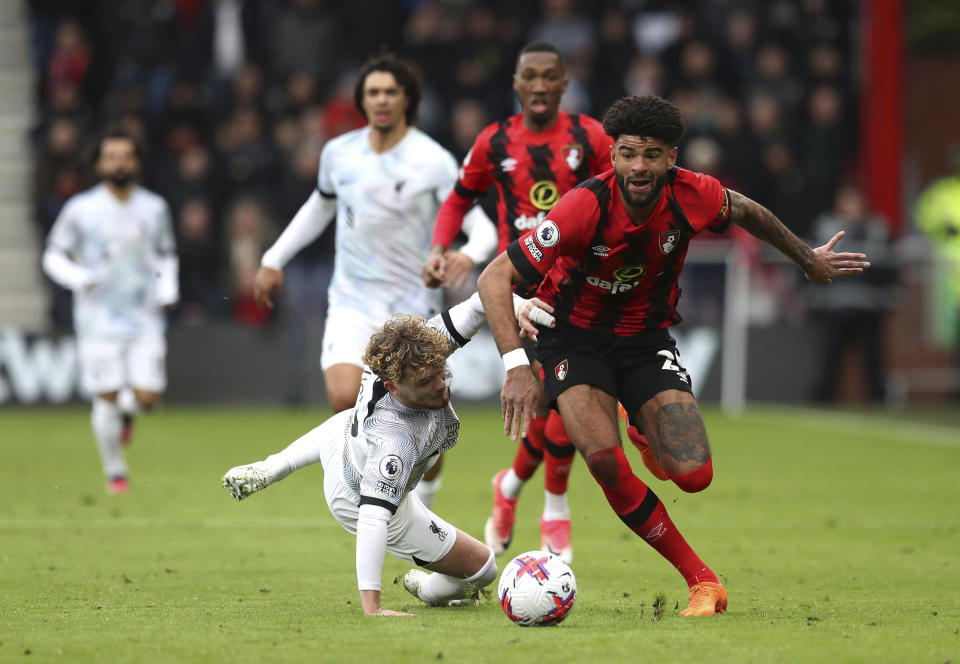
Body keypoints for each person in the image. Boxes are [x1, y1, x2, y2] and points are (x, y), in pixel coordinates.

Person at [477, 95, 871, 616]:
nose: (639, 166)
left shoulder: (695, 194)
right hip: (574, 339)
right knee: (606, 465)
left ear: (671, 158)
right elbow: (494, 277)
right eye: (628, 153)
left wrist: (807, 259)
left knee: (694, 475)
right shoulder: (583, 206)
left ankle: (636, 421)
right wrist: (515, 367)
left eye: (652, 154)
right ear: (613, 156)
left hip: (644, 339)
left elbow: (750, 212)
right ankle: (703, 581)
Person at [252, 53, 496, 507]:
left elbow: (482, 227)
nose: (381, 100)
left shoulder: (432, 161)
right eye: (373, 93)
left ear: (407, 99)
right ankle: (385, 502)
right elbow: (318, 209)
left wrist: (466, 254)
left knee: (426, 422)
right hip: (351, 300)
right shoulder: (338, 154)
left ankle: (424, 495)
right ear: (362, 101)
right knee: (345, 397)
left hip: (413, 310)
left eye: (390, 92)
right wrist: (273, 258)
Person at [220, 293, 553, 616]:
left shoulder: (424, 349)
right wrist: (372, 606)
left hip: (348, 439)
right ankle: (424, 588)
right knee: (483, 569)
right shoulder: (395, 441)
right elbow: (372, 520)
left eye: (440, 369)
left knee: (343, 425)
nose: (441, 384)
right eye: (426, 381)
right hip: (357, 497)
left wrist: (520, 305)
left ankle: (274, 465)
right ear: (393, 387)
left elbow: (483, 298)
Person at [422, 42, 613, 564]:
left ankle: (508, 488)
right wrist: (440, 246)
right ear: (516, 81)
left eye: (550, 76)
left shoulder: (590, 137)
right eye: (530, 75)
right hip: (522, 290)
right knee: (561, 395)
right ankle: (554, 508)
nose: (540, 85)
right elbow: (459, 197)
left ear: (564, 83)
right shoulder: (494, 141)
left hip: (580, 284)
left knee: (560, 399)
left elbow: (616, 195)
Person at [42, 127, 178, 494]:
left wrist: (168, 288)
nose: (119, 162)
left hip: (145, 316)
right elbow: (52, 255)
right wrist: (78, 277)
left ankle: (127, 411)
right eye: (111, 156)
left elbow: (166, 253)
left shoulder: (154, 208)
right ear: (99, 163)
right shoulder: (80, 210)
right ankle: (116, 472)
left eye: (125, 156)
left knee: (149, 398)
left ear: (136, 161)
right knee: (105, 394)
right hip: (97, 319)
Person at [808, 184, 898, 403]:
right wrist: (813, 296)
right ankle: (822, 398)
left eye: (855, 201)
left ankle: (878, 399)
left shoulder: (878, 229)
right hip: (835, 305)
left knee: (873, 358)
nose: (851, 207)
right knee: (829, 357)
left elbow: (891, 266)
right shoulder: (825, 227)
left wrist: (890, 295)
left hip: (870, 305)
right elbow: (808, 261)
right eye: (847, 201)